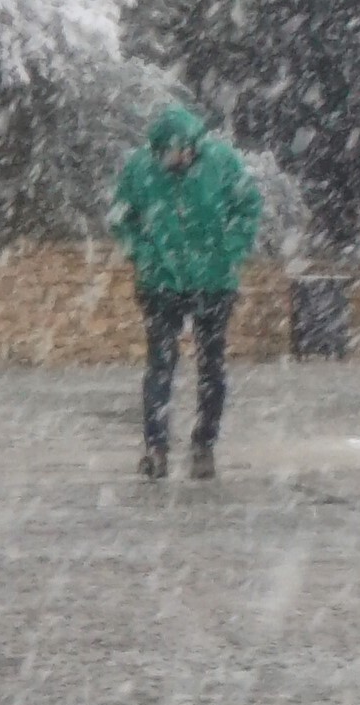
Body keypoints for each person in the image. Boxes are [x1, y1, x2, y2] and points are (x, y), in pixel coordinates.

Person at [110, 99, 261, 481]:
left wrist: (231, 248)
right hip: (160, 281)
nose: (169, 161)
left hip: (213, 281)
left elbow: (249, 207)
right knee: (160, 365)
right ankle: (155, 448)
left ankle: (204, 444)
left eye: (175, 152)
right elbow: (120, 216)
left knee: (211, 365)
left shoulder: (222, 163)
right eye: (163, 154)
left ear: (191, 145)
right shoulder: (140, 169)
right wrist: (141, 252)